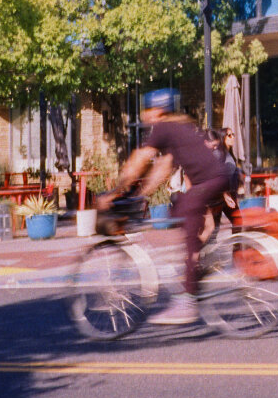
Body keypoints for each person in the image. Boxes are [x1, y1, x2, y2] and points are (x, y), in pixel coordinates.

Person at [100, 89, 238, 325]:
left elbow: (139, 161)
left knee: (186, 213)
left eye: (148, 111)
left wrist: (116, 192)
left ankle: (186, 300)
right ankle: (201, 266)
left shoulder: (163, 127)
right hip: (217, 179)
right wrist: (142, 194)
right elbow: (162, 169)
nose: (146, 116)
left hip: (209, 182)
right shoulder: (179, 127)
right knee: (181, 210)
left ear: (158, 111)